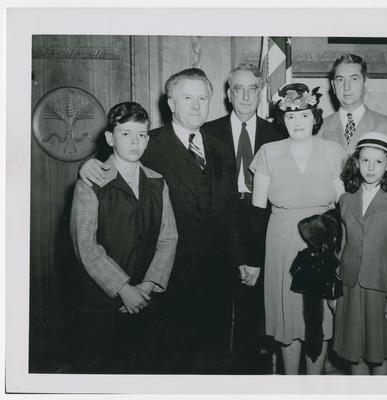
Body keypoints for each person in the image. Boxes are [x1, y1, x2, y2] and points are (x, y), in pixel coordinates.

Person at [78, 68, 244, 374]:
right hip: (169, 283)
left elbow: (230, 210)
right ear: (171, 104)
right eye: (187, 98)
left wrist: (241, 259)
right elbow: (113, 164)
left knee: (215, 364)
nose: (196, 106)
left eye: (202, 98)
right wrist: (88, 166)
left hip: (217, 281)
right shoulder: (147, 143)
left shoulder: (221, 149)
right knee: (171, 366)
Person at [70, 102, 178, 373]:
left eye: (142, 135)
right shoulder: (91, 183)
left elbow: (168, 238)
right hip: (102, 306)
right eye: (126, 134)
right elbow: (86, 246)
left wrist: (147, 286)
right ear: (110, 138)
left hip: (146, 299)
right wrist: (124, 289)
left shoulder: (158, 181)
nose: (135, 142)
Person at [249, 83, 345, 375]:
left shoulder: (333, 151)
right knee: (288, 318)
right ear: (282, 119)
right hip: (282, 242)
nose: (298, 122)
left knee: (319, 320)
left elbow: (344, 205)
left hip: (323, 239)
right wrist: (253, 260)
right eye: (291, 116)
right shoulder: (268, 152)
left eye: (304, 115)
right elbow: (256, 210)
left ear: (315, 117)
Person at [203, 63, 284, 373]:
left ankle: (250, 376)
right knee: (219, 304)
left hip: (260, 219)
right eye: (239, 88)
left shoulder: (276, 133)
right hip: (221, 221)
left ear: (260, 92)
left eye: (253, 88)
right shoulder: (209, 132)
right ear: (228, 94)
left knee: (254, 305)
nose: (246, 95)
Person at [332, 131, 387, 375]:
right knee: (353, 353)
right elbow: (342, 246)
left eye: (378, 162)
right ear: (356, 162)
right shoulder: (346, 199)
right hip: (350, 288)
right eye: (365, 160)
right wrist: (334, 289)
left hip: (381, 290)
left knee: (379, 355)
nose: (371, 167)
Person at [319, 54, 387, 186]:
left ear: (365, 82)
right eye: (340, 80)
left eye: (354, 79)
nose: (346, 87)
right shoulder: (318, 128)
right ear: (333, 85)